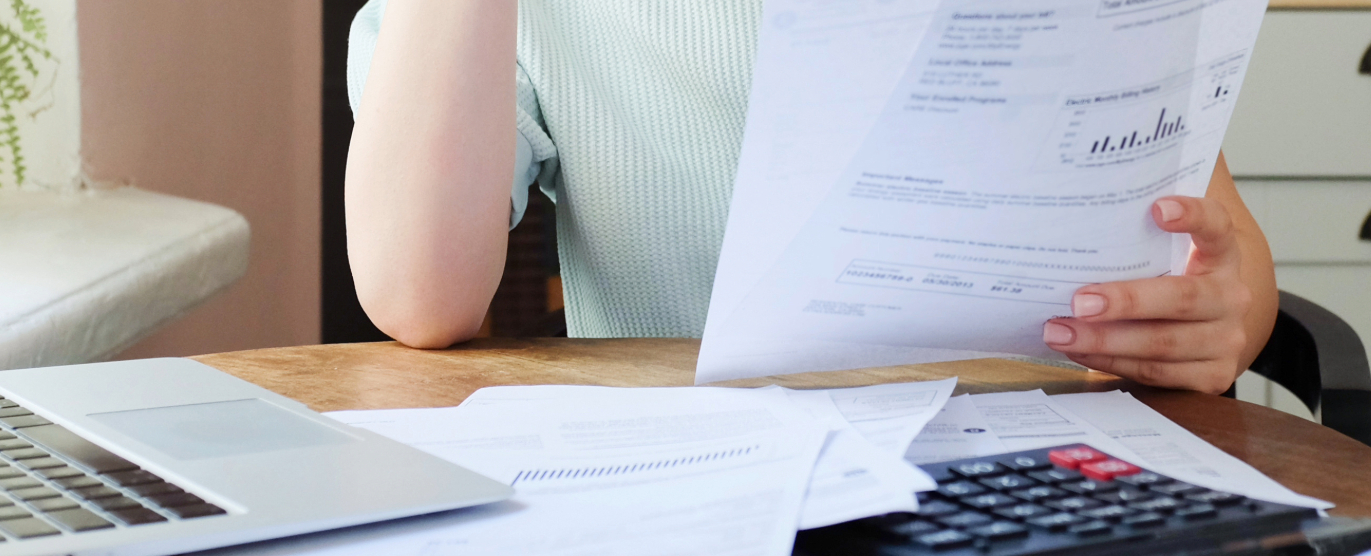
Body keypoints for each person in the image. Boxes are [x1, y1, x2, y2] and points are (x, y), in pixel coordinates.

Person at [343, 1, 1277, 395]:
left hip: (1037, 453)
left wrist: (1228, 315)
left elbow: (1213, 233)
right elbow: (419, 295)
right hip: (701, 474)